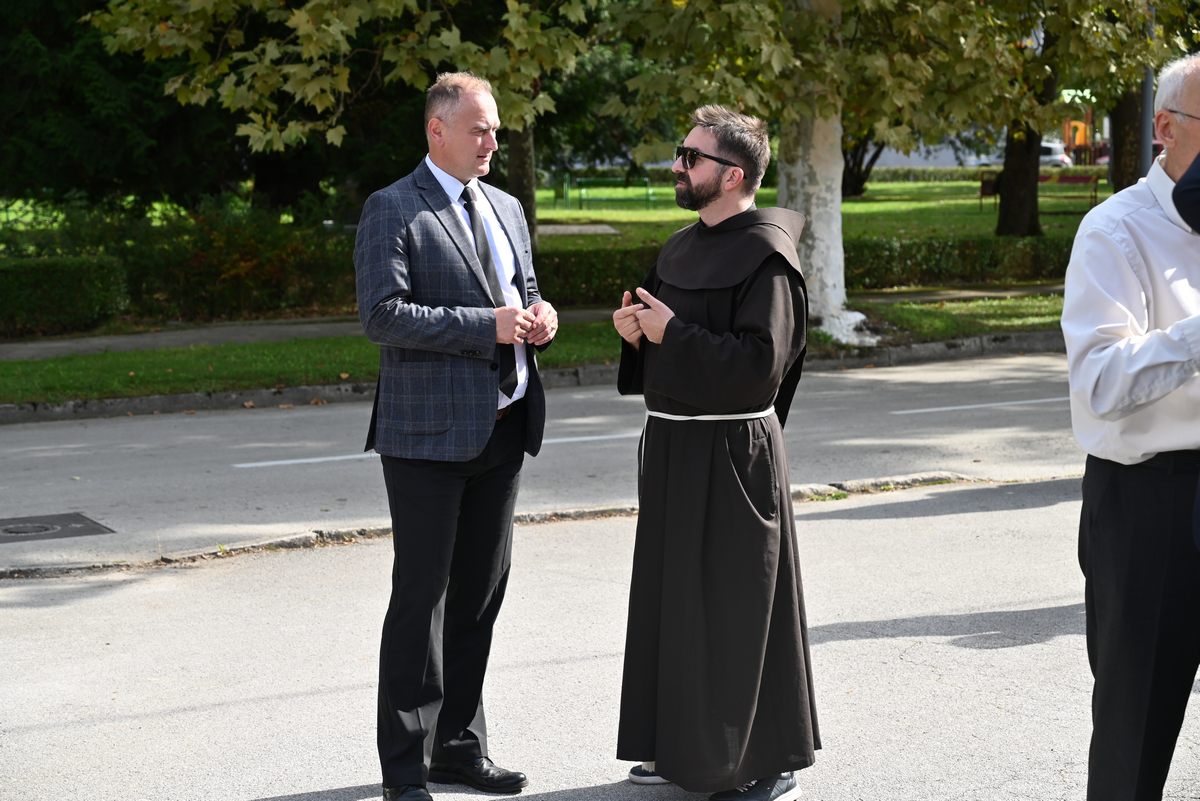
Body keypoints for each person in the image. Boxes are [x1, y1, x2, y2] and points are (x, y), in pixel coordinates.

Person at [354, 71, 558, 801]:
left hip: (504, 429)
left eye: (495, 129)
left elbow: (522, 295)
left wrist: (540, 317)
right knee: (422, 601)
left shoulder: (506, 206)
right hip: (426, 439)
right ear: (436, 130)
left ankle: (459, 746)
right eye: (478, 129)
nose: (491, 141)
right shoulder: (392, 207)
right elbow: (382, 315)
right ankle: (405, 770)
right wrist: (488, 327)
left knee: (478, 598)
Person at [611, 105, 819, 801]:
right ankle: (680, 748)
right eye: (681, 152)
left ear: (732, 176)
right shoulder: (678, 248)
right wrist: (637, 337)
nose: (678, 165)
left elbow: (761, 367)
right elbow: (668, 340)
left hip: (734, 452)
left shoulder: (769, 258)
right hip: (673, 444)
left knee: (737, 609)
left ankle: (763, 760)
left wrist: (672, 335)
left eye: (690, 157)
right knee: (673, 603)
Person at [1062, 52, 1200, 801]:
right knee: (1134, 731)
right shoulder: (1114, 231)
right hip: (1153, 502)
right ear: (1165, 128)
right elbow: (1103, 384)